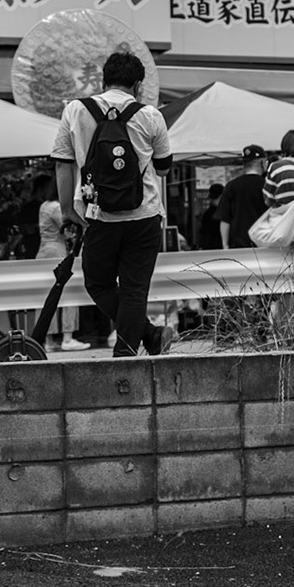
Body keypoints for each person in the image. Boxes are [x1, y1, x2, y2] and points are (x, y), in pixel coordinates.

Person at [52, 51, 177, 358]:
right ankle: (136, 346)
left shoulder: (75, 110)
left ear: (103, 80)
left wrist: (67, 210)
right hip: (144, 215)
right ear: (137, 85)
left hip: (97, 216)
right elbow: (163, 169)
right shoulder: (150, 115)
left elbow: (63, 163)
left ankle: (138, 344)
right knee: (135, 289)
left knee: (97, 283)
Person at [33, 174, 87, 353]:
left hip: (43, 250)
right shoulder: (57, 207)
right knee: (69, 292)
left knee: (45, 295)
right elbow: (68, 229)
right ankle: (67, 337)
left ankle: (47, 340)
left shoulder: (44, 205)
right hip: (57, 250)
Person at [217, 145, 270, 247]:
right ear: (262, 162)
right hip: (264, 245)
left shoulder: (231, 186)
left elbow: (225, 219)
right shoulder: (268, 185)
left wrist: (225, 245)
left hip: (238, 248)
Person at [197, 184, 225, 250]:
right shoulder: (209, 213)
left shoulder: (209, 213)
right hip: (214, 246)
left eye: (215, 198)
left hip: (214, 247)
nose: (213, 201)